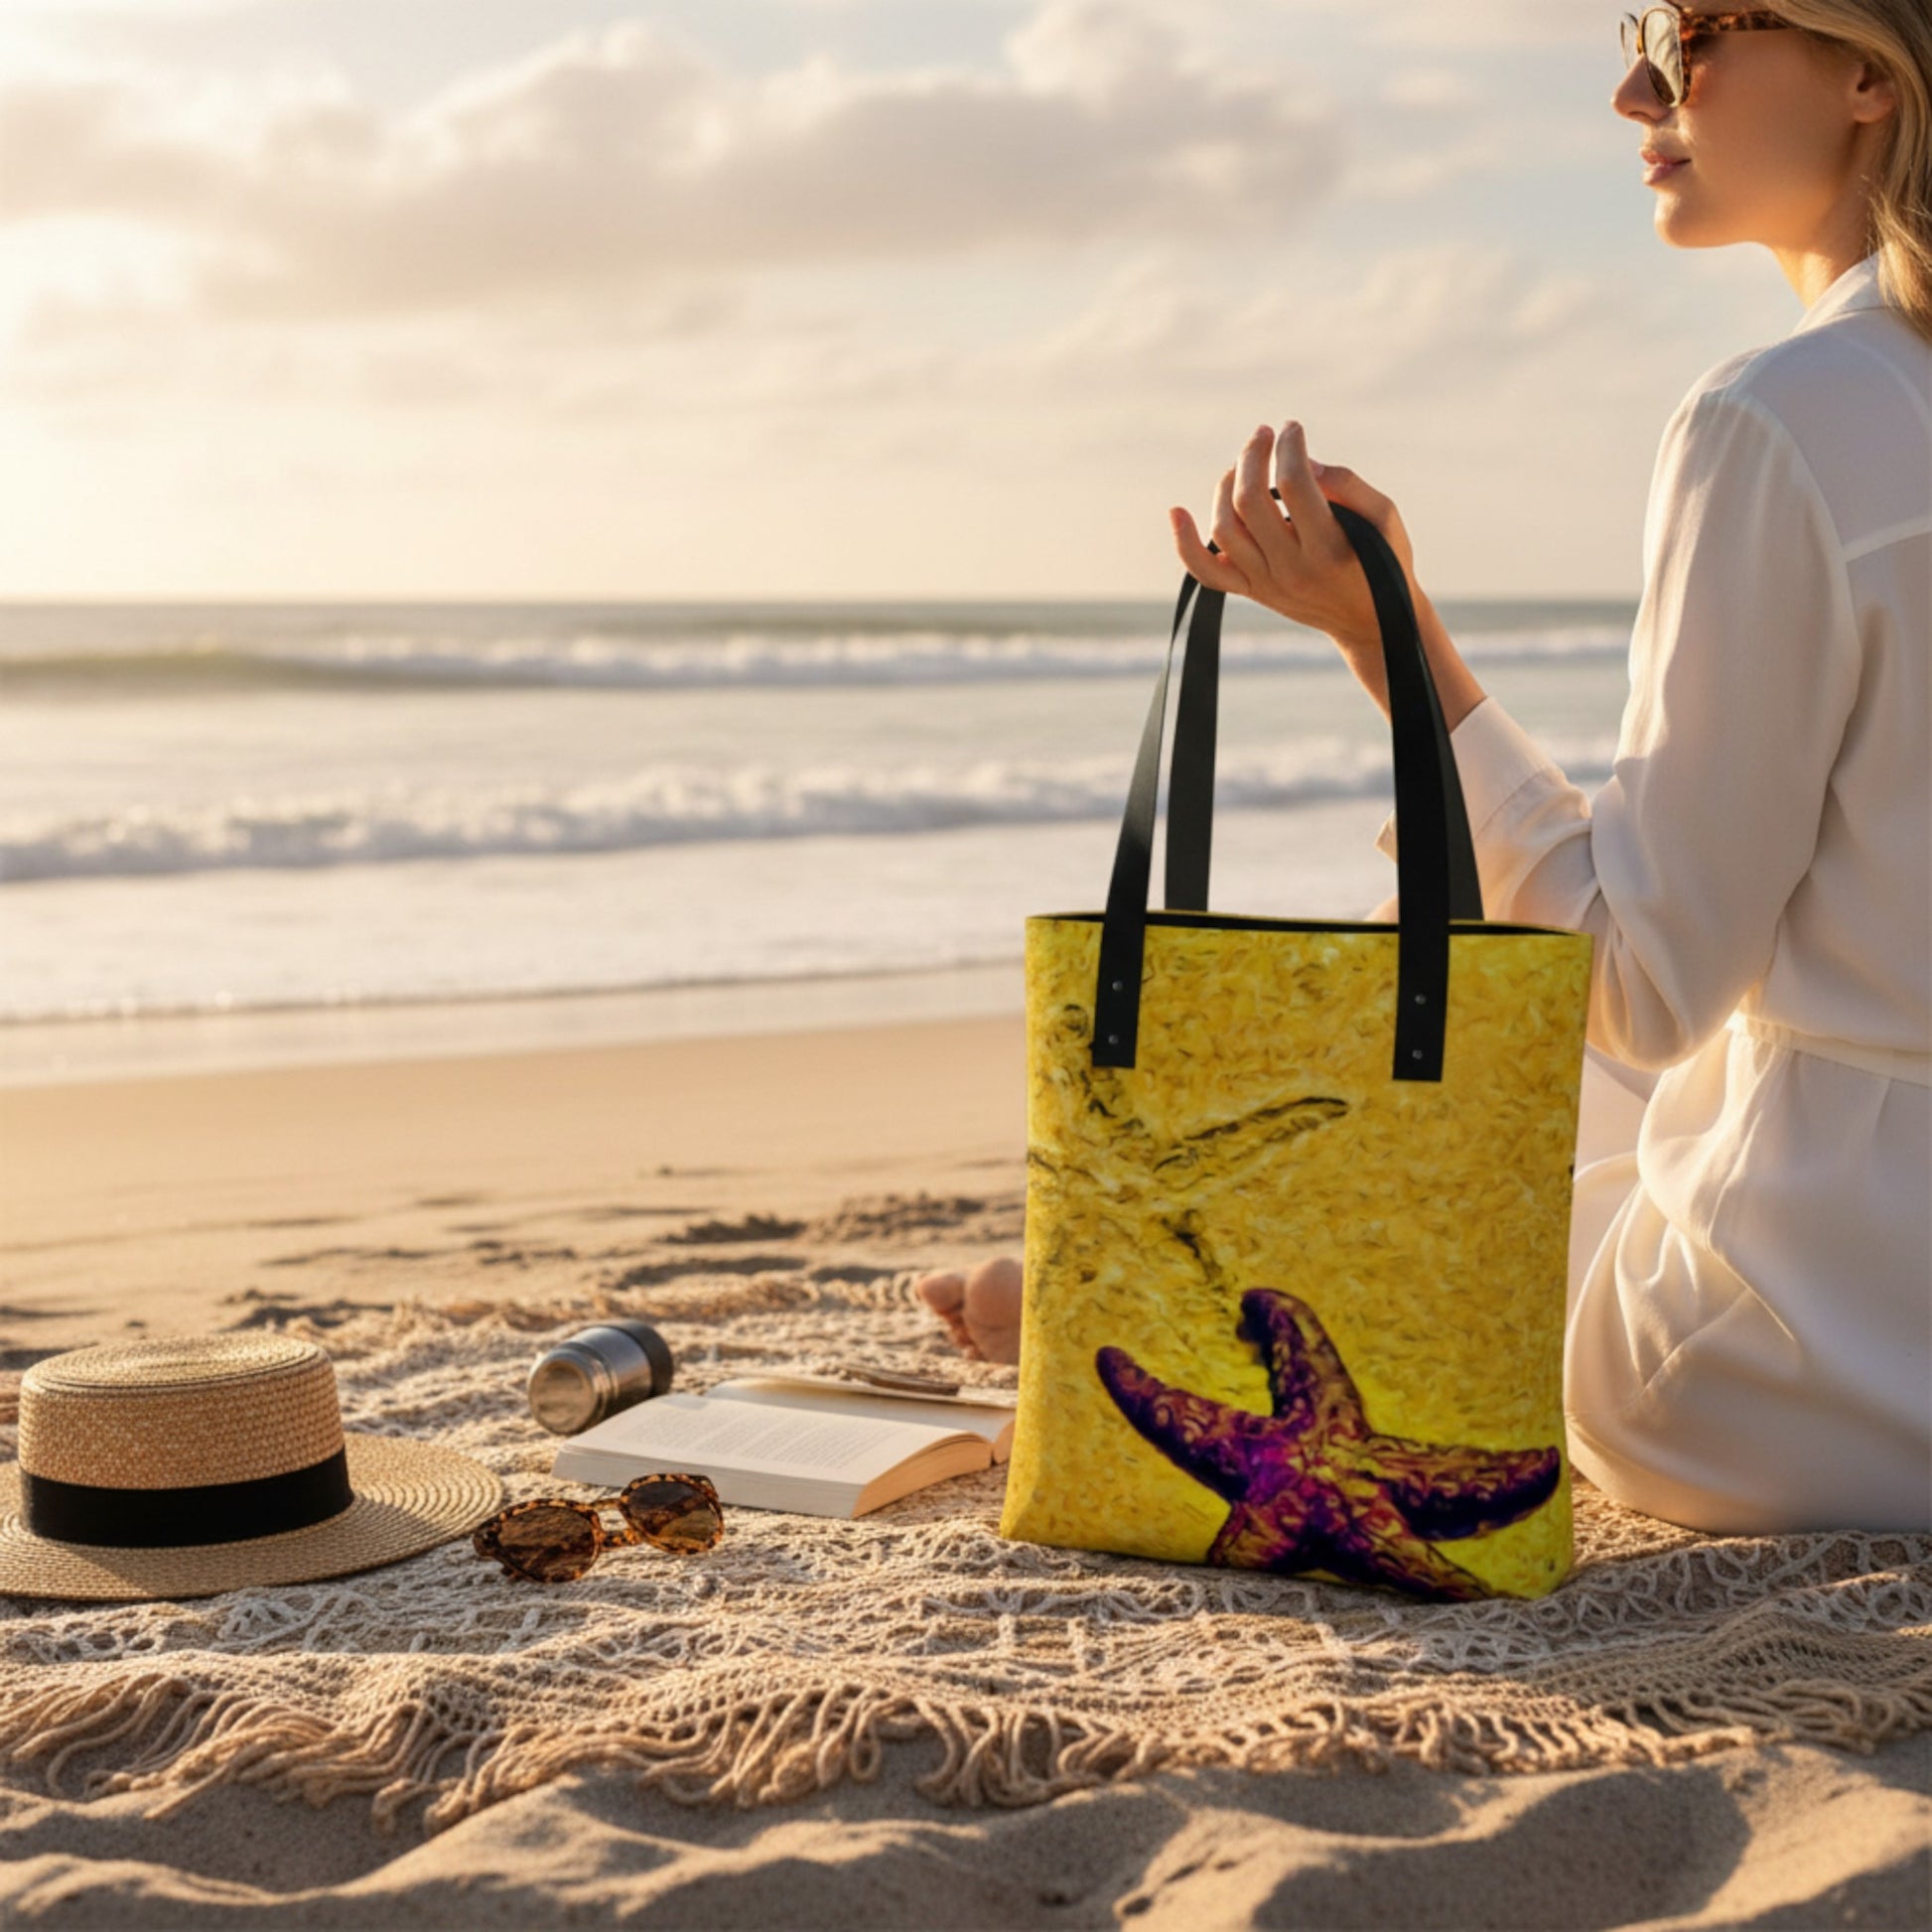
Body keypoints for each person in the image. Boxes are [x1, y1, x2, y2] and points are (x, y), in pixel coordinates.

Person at [922, 0, 1932, 1535]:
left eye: (1684, 31)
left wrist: (1388, 640)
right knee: (1574, 1124)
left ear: (1870, 70)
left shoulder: (1778, 420)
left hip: (1823, 1372)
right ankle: (1090, 1282)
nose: (1629, 88)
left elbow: (1643, 986)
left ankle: (1110, 1300)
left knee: (1500, 1111)